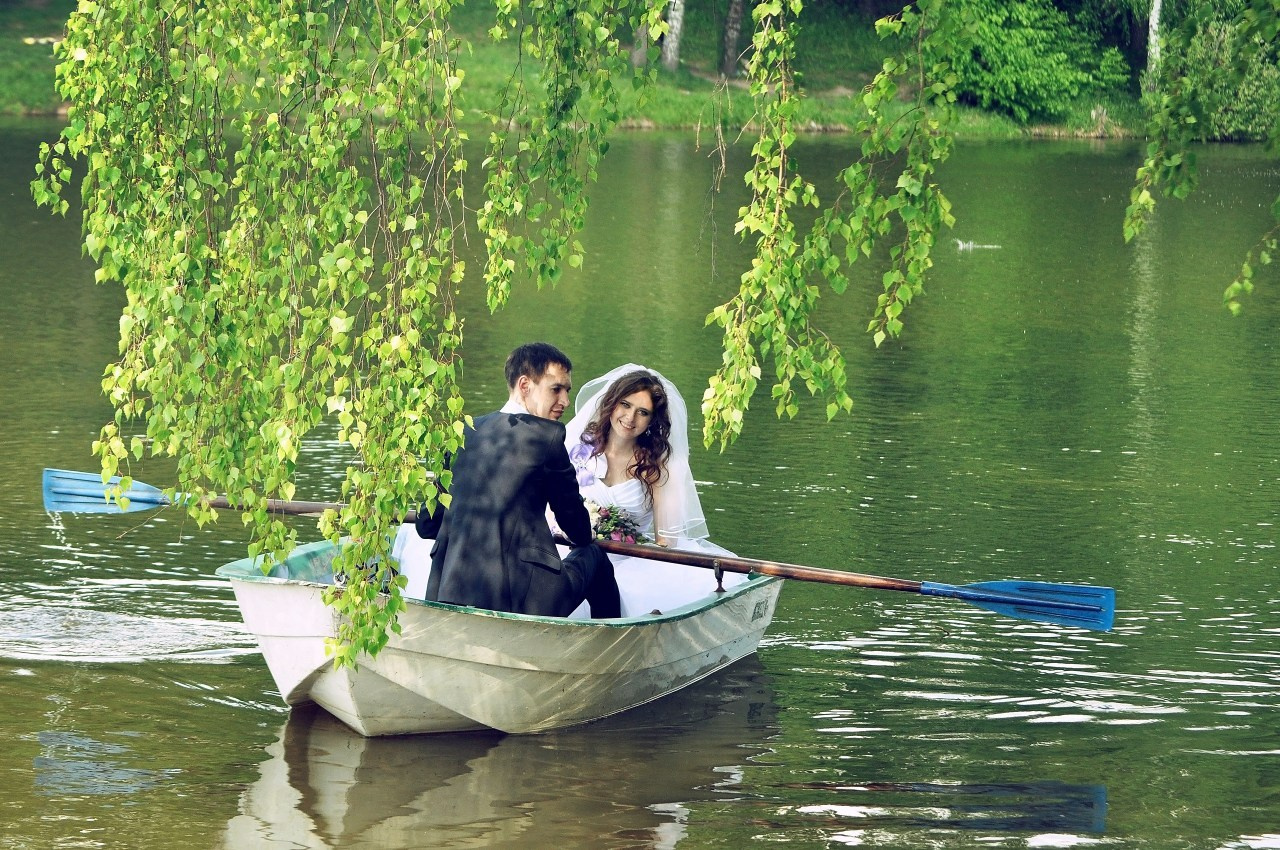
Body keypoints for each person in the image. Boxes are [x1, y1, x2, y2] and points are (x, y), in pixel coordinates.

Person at [412, 342, 621, 618]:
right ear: (525, 385)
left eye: (567, 391)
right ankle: (605, 651)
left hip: (449, 589)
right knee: (594, 557)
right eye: (556, 389)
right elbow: (577, 529)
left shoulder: (461, 433)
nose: (565, 401)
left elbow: (427, 525)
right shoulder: (547, 437)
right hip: (525, 601)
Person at [560, 364, 747, 618]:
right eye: (625, 405)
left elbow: (666, 540)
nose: (630, 418)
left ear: (651, 420)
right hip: (573, 552)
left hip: (629, 561)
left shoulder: (658, 466)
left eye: (643, 412)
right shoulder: (580, 449)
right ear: (612, 404)